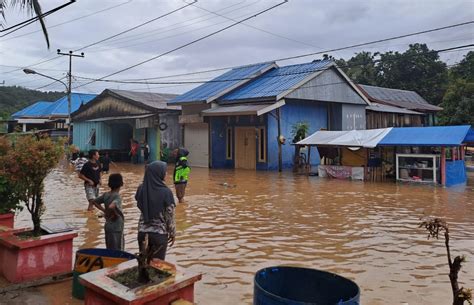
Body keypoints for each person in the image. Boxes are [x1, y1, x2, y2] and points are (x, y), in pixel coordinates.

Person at [135, 161, 176, 260]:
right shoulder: (166, 192)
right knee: (158, 267)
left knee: (144, 264)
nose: (166, 174)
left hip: (142, 233)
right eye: (165, 171)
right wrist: (172, 233)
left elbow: (139, 202)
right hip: (159, 235)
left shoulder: (141, 189)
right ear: (159, 173)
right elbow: (169, 217)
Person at [93, 173, 124, 251]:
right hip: (116, 227)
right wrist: (115, 214)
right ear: (121, 184)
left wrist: (104, 211)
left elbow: (95, 202)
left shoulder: (106, 195)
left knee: (109, 249)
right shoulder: (117, 196)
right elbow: (112, 206)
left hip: (108, 225)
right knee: (118, 250)